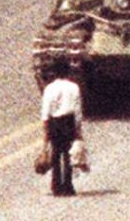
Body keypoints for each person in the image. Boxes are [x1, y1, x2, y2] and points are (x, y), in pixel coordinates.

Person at [40, 59, 83, 196]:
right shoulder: (74, 87)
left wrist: (45, 131)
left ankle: (56, 185)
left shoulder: (49, 88)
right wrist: (78, 129)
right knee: (68, 154)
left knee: (55, 154)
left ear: (54, 72)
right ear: (68, 71)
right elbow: (77, 110)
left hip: (54, 122)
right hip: (68, 121)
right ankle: (68, 186)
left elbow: (45, 111)